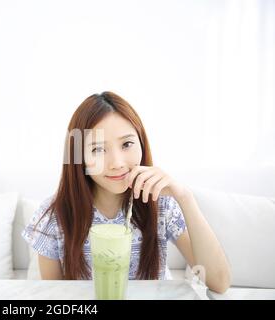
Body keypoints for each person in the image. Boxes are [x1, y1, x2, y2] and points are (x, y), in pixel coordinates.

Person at [22, 91, 231, 293]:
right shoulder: (56, 216)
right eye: (98, 149)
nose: (117, 163)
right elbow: (57, 298)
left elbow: (218, 282)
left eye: (127, 144)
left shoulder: (161, 204)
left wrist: (184, 196)